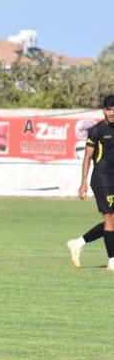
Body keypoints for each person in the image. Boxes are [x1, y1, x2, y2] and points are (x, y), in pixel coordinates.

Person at [67, 94, 114, 271]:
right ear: (103, 110)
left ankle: (77, 243)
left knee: (112, 222)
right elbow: (87, 158)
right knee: (110, 219)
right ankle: (112, 261)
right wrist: (83, 183)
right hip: (102, 179)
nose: (111, 112)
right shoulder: (96, 131)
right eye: (108, 109)